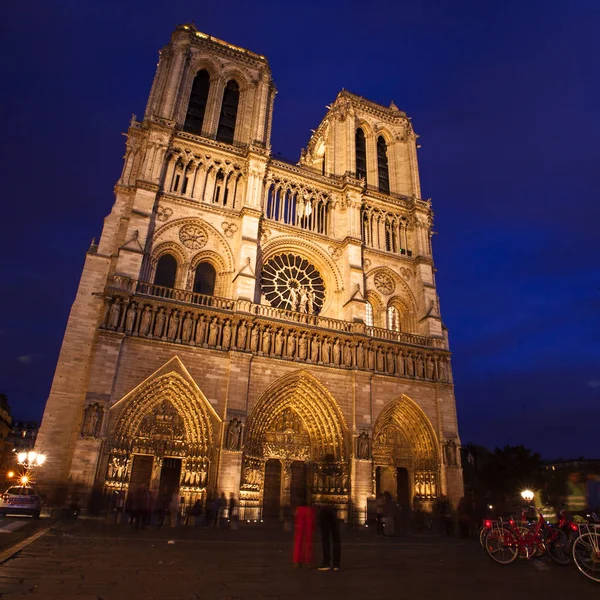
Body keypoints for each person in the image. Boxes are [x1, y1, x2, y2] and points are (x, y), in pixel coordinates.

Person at [293, 499, 315, 568]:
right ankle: (307, 560)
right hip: (308, 509)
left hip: (301, 508)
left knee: (299, 538)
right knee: (308, 538)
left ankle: (297, 560)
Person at [318, 505, 341, 571]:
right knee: (336, 537)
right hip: (334, 507)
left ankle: (326, 563)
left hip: (324, 507)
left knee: (325, 538)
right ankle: (336, 564)